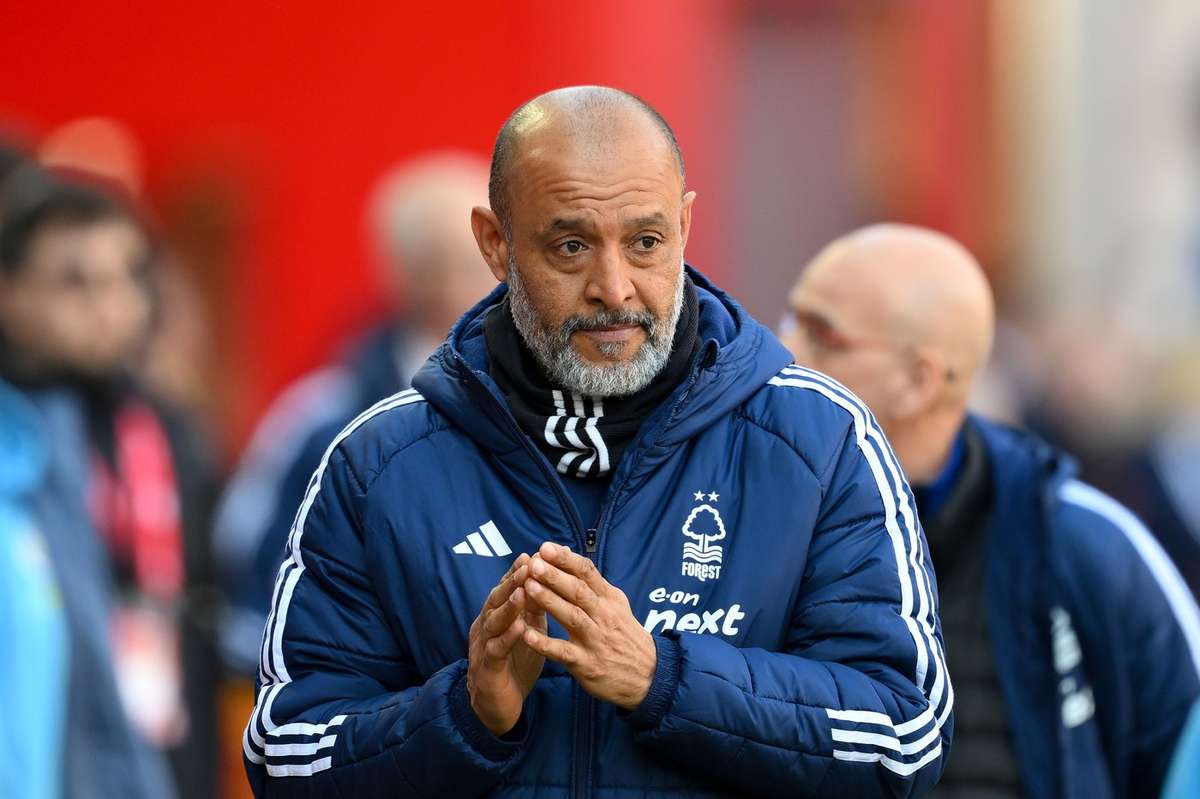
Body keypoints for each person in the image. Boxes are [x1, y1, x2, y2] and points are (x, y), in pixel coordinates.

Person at [244, 86, 952, 797]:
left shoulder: (820, 442)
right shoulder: (380, 463)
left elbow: (905, 739)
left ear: (684, 225)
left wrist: (662, 678)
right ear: (496, 244)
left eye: (645, 242)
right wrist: (465, 714)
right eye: (572, 246)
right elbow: (283, 758)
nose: (614, 289)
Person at [780, 224, 1200, 798]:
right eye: (789, 320)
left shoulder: (1081, 544)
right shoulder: (745, 521)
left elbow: (1184, 759)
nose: (785, 352)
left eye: (822, 335)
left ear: (918, 380)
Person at [213, 152, 496, 675]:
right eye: (463, 258)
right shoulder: (327, 414)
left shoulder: (551, 407)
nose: (491, 276)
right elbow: (251, 563)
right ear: (407, 272)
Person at [0, 174, 219, 799]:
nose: (109, 304)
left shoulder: (173, 431)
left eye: (126, 277)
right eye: (75, 282)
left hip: (163, 751)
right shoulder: (18, 440)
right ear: (10, 294)